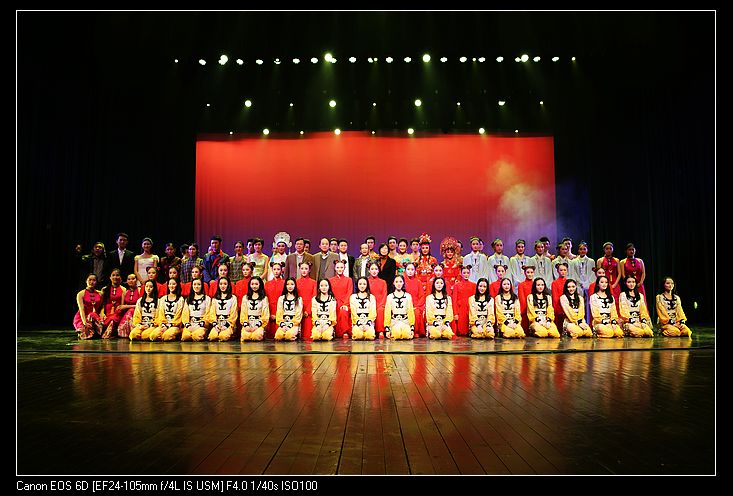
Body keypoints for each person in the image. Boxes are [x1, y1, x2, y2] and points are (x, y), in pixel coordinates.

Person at [206, 276, 238, 341]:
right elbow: (212, 313)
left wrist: (226, 325)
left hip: (228, 324)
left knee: (223, 336)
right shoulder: (215, 298)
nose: (223, 286)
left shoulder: (233, 298)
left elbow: (234, 314)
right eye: (221, 284)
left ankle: (231, 334)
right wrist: (215, 325)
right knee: (212, 337)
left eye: (225, 284)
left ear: (228, 285)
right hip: (218, 323)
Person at [384, 275, 415, 340]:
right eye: (396, 282)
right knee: (396, 335)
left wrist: (412, 327)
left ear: (403, 283)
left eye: (400, 282)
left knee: (406, 335)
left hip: (405, 321)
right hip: (394, 321)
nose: (398, 284)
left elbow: (410, 312)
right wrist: (387, 329)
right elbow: (387, 313)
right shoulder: (390, 297)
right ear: (393, 283)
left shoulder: (408, 296)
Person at [73, 274, 103, 339]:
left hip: (95, 317)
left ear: (96, 282)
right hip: (82, 317)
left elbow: (101, 307)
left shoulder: (100, 294)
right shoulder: (81, 294)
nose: (91, 282)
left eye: (94, 280)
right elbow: (81, 309)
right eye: (90, 280)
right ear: (86, 281)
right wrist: (84, 322)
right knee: (86, 335)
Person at [239, 276, 269, 342]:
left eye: (256, 284)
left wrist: (257, 326)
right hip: (248, 322)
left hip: (258, 323)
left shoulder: (264, 298)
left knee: (256, 336)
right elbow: (243, 313)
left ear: (260, 285)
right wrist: (246, 325)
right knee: (245, 336)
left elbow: (265, 315)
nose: (254, 286)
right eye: (252, 284)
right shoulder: (245, 298)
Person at [570, 241, 595, 318]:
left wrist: (587, 283)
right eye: (580, 249)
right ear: (578, 250)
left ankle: (588, 320)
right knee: (579, 303)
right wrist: (580, 282)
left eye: (584, 249)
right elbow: (573, 273)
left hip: (588, 285)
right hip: (578, 285)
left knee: (588, 304)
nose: (582, 251)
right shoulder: (573, 261)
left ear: (587, 250)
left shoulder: (591, 261)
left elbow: (592, 274)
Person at [329, 259, 353, 338]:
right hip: (334, 302)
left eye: (341, 267)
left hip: (345, 302)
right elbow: (330, 293)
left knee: (343, 311)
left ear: (344, 268)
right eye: (338, 267)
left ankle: (344, 331)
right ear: (335, 268)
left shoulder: (349, 280)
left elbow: (349, 293)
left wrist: (345, 304)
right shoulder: (331, 280)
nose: (339, 269)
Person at [100, 269, 126, 339]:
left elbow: (122, 306)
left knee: (113, 319)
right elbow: (102, 304)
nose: (115, 277)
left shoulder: (123, 289)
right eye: (113, 275)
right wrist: (102, 313)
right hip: (106, 314)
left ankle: (108, 333)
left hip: (118, 314)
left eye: (117, 275)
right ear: (110, 277)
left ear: (120, 277)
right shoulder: (104, 289)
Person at [452, 266, 476, 336]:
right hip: (460, 309)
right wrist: (455, 313)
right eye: (464, 273)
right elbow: (454, 300)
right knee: (461, 332)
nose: (466, 274)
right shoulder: (457, 285)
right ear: (461, 274)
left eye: (467, 273)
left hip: (470, 308)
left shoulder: (474, 285)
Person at [403, 262, 426, 337]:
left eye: (412, 269)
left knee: (416, 312)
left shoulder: (418, 282)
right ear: (405, 270)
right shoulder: (402, 281)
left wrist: (417, 306)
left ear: (415, 271)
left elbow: (422, 296)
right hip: (404, 304)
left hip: (416, 304)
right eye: (408, 269)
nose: (410, 271)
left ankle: (416, 331)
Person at [296, 262, 317, 340]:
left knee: (307, 335)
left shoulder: (314, 282)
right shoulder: (296, 282)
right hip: (299, 308)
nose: (304, 271)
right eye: (302, 269)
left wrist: (308, 311)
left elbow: (314, 297)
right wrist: (299, 310)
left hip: (309, 308)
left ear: (309, 270)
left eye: (306, 269)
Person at [264, 262, 286, 339]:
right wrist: (269, 313)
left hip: (281, 310)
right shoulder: (267, 284)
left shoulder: (284, 283)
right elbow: (265, 300)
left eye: (278, 269)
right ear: (272, 270)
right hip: (270, 309)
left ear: (281, 270)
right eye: (274, 269)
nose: (276, 271)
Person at [116, 273, 141, 338]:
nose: (131, 281)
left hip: (136, 313)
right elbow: (122, 307)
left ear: (136, 280)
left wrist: (127, 306)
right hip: (126, 313)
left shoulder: (140, 290)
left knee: (131, 310)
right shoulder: (125, 292)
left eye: (133, 279)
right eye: (129, 279)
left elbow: (141, 306)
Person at [596, 242, 622, 307]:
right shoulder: (600, 260)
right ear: (604, 250)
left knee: (616, 301)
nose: (609, 250)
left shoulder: (616, 260)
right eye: (607, 249)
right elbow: (598, 274)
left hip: (615, 284)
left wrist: (615, 284)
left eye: (610, 248)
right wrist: (604, 284)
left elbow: (619, 273)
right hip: (604, 284)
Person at [367, 262, 388, 334]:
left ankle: (380, 331)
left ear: (378, 270)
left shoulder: (383, 282)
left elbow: (384, 295)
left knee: (380, 310)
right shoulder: (367, 281)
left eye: (376, 269)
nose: (374, 271)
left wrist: (381, 305)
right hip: (369, 304)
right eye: (372, 269)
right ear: (369, 270)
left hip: (380, 304)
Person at [516, 265, 536, 331]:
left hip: (535, 309)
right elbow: (521, 299)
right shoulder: (521, 285)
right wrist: (526, 310)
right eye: (528, 272)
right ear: (525, 273)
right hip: (525, 310)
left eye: (531, 272)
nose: (530, 274)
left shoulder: (536, 284)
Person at [551, 262, 569, 329]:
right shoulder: (554, 283)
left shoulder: (569, 282)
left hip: (568, 307)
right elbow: (555, 298)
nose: (563, 272)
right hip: (559, 307)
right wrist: (558, 309)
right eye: (561, 270)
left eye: (564, 270)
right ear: (558, 271)